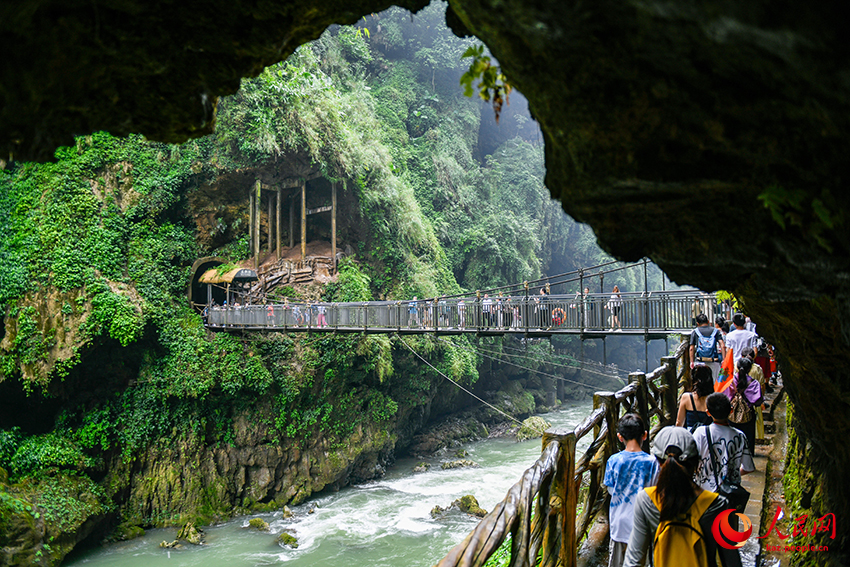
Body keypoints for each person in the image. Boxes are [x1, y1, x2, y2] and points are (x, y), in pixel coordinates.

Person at [624, 426, 740, 567]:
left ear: (659, 463)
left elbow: (634, 560)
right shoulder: (718, 505)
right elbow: (731, 561)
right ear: (696, 463)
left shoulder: (646, 500)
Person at [603, 414, 658, 567]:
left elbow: (611, 490)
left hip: (619, 523)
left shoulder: (613, 460)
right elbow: (655, 492)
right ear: (645, 435)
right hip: (643, 523)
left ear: (620, 437)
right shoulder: (652, 462)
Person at [693, 393, 755, 495]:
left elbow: (691, 461)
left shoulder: (701, 433)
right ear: (731, 410)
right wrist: (729, 473)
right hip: (729, 494)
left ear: (708, 413)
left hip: (703, 493)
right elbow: (749, 468)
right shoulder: (739, 436)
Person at [723, 357, 763, 455]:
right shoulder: (754, 383)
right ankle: (747, 460)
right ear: (749, 369)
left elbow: (725, 396)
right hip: (747, 415)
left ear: (736, 367)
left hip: (732, 414)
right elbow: (758, 401)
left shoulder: (730, 381)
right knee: (748, 439)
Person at [675, 365, 714, 431]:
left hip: (691, 436)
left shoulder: (686, 397)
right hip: (709, 436)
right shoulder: (714, 398)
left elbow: (679, 423)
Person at [689, 313, 725, 378]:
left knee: (701, 382)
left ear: (697, 323)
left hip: (700, 361)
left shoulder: (695, 332)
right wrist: (724, 359)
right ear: (708, 321)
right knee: (714, 382)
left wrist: (692, 361)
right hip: (714, 361)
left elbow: (691, 348)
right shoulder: (715, 331)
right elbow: (722, 345)